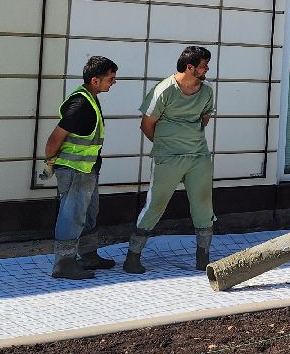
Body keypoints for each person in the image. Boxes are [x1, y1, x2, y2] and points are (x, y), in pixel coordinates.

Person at [124, 46, 217, 274]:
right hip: (167, 158)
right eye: (204, 65)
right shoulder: (164, 90)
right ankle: (132, 257)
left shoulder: (207, 92)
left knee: (204, 205)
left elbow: (204, 120)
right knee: (155, 203)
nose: (207, 69)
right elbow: (146, 124)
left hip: (198, 156)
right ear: (190, 67)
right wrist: (166, 145)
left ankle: (202, 257)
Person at [41, 55, 119, 280]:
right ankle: (64, 263)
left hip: (86, 171)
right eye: (110, 79)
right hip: (75, 171)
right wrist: (50, 161)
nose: (112, 83)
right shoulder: (81, 104)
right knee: (72, 215)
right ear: (95, 80)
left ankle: (88, 255)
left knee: (88, 213)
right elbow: (55, 138)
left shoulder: (89, 98)